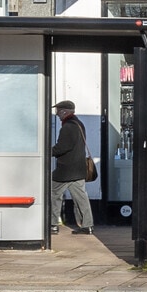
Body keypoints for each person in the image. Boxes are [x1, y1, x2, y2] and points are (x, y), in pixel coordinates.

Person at [50, 100, 93, 235]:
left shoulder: (68, 127)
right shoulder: (79, 124)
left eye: (58, 111)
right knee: (81, 198)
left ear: (64, 111)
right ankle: (87, 225)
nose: (57, 114)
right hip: (78, 169)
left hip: (65, 170)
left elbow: (62, 147)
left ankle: (52, 225)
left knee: (53, 194)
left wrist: (47, 152)